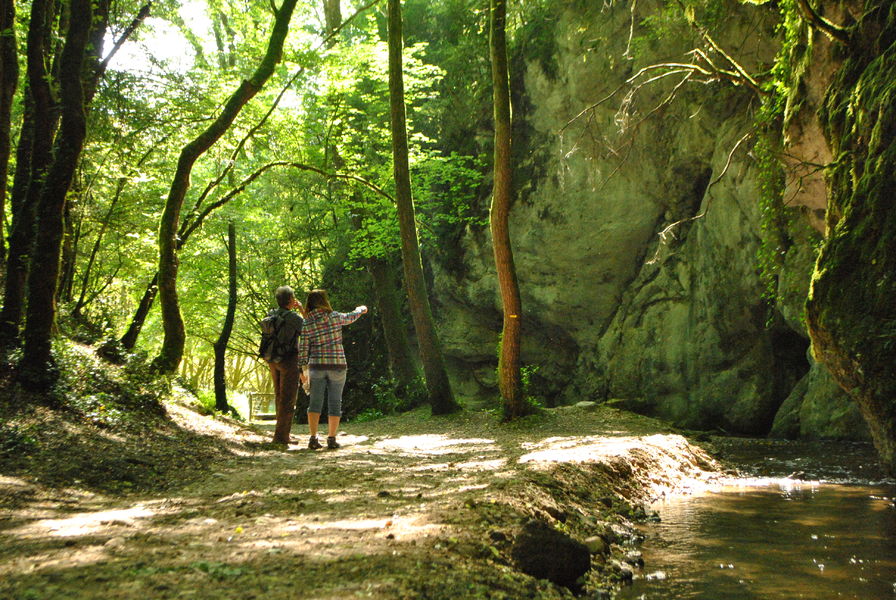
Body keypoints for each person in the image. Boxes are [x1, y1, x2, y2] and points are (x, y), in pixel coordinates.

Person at [298, 289, 367, 450]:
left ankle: (313, 438)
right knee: (335, 402)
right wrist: (361, 309)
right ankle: (331, 438)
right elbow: (351, 317)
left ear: (309, 303)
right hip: (337, 365)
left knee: (315, 403)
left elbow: (303, 349)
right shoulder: (335, 316)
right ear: (324, 301)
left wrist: (302, 371)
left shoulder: (307, 322)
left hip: (317, 366)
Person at [266, 286, 305, 446]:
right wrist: (302, 309)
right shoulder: (294, 317)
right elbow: (310, 329)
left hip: (272, 359)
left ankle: (282, 434)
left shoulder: (271, 314)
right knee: (288, 398)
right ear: (290, 300)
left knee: (279, 395)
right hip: (289, 359)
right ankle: (281, 437)